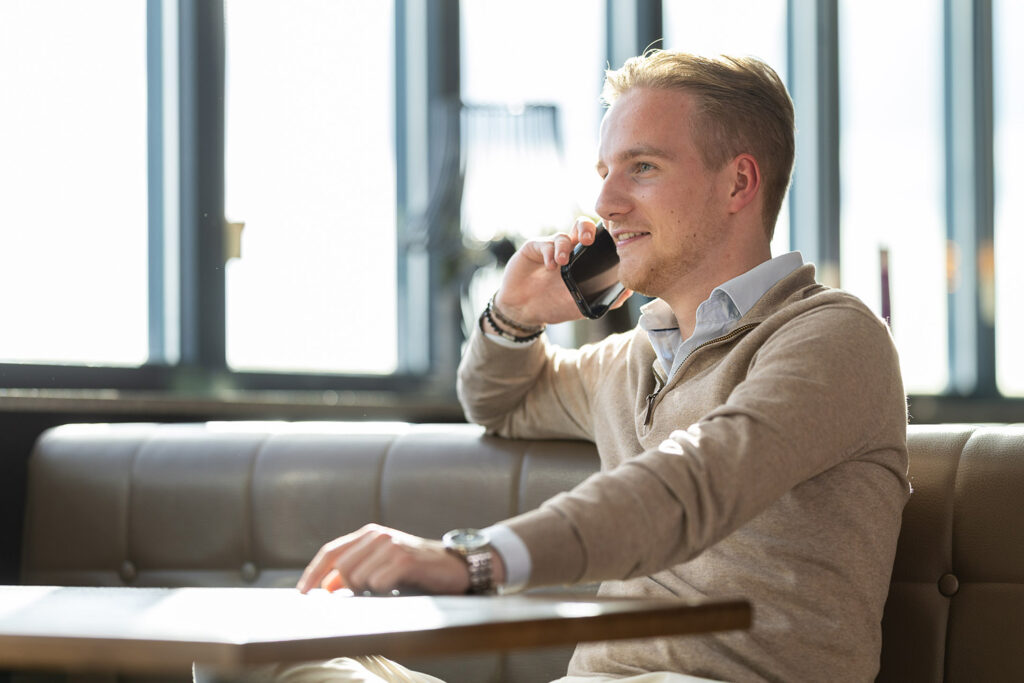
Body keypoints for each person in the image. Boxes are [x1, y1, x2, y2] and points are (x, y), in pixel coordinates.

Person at [283, 50, 910, 683]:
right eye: (605, 171)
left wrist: (474, 560)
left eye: (642, 167)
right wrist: (515, 315)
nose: (605, 201)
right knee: (270, 647)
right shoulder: (633, 357)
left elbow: (693, 484)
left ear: (739, 184)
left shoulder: (833, 336)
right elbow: (501, 402)